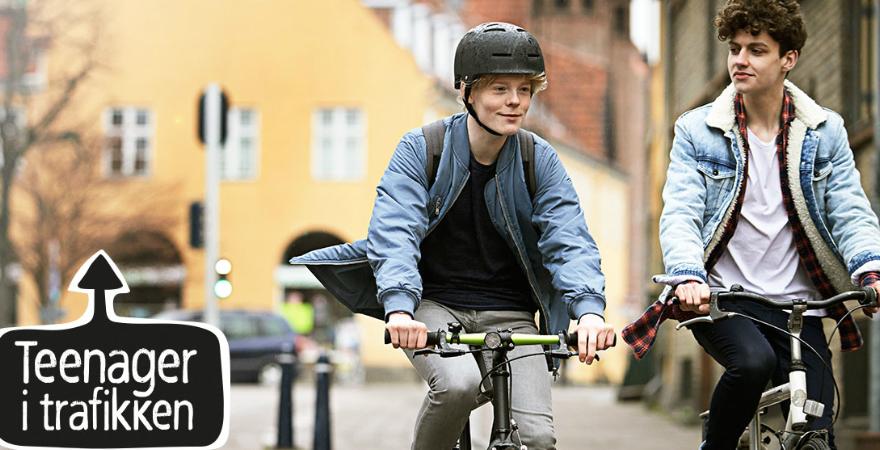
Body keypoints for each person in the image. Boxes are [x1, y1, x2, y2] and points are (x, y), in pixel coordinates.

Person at [292, 22, 614, 450]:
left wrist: (588, 311)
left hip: (513, 315)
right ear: (467, 91)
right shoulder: (422, 150)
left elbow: (568, 237)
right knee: (458, 385)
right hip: (433, 307)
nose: (515, 101)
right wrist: (401, 309)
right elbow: (395, 231)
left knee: (538, 438)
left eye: (525, 89)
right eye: (500, 88)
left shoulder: (540, 160)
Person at [621, 1, 880, 449]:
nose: (740, 60)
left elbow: (849, 209)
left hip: (802, 309)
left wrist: (870, 268)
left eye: (756, 50)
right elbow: (681, 210)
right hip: (722, 299)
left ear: (788, 59)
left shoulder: (824, 131)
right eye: (735, 48)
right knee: (753, 363)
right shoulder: (698, 130)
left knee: (818, 434)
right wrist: (687, 275)